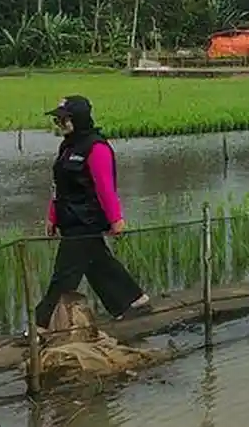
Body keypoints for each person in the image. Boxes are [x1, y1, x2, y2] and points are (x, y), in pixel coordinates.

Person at [32, 96, 149, 339]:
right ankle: (134, 301)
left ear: (79, 118)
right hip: (69, 219)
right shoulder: (66, 148)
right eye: (57, 119)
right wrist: (52, 216)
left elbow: (105, 186)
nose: (59, 123)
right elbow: (58, 187)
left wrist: (116, 219)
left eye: (64, 119)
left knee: (64, 275)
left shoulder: (97, 148)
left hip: (87, 221)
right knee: (97, 264)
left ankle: (42, 325)